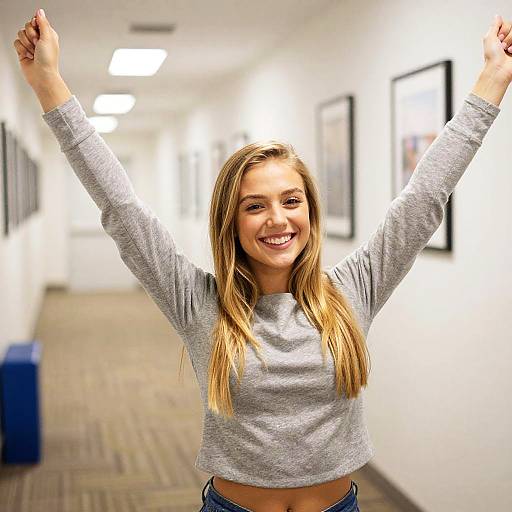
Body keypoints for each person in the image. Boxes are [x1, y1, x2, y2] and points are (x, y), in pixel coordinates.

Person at [13, 8, 511, 512]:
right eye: (255, 206)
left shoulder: (352, 290)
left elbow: (425, 196)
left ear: (310, 214)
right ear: (231, 221)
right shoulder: (198, 303)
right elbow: (120, 206)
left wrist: (493, 77)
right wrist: (49, 84)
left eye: (291, 201)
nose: (277, 219)